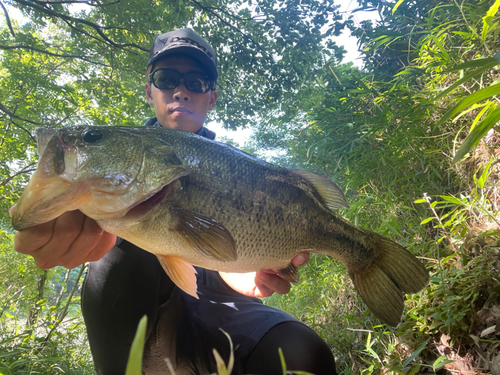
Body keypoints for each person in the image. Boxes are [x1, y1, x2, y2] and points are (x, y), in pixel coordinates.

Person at [12, 28, 337, 374]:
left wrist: (238, 267)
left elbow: (218, 248)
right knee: (119, 250)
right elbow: (50, 220)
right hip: (146, 316)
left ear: (210, 98)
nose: (181, 91)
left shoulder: (241, 171)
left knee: (305, 354)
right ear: (149, 91)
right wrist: (48, 222)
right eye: (167, 79)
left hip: (225, 309)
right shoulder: (111, 166)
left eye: (196, 82)